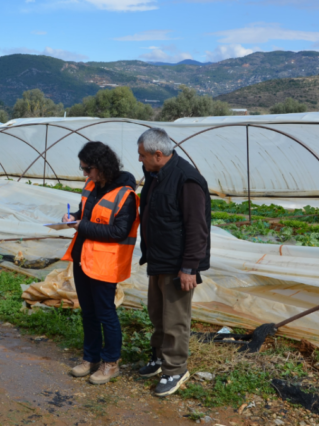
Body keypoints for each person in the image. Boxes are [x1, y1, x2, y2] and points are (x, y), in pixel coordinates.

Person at [136, 128, 211, 397]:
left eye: (142, 155)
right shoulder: (156, 175)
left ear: (158, 154)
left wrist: (190, 267)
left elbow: (196, 227)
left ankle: (175, 369)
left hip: (178, 264)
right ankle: (159, 359)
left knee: (175, 320)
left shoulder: (186, 179)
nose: (140, 160)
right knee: (158, 314)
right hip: (159, 258)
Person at [61, 141, 139, 385]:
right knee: (88, 313)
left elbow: (118, 231)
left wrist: (80, 225)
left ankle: (110, 363)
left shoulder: (125, 195)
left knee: (106, 313)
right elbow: (86, 212)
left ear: (101, 166)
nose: (85, 174)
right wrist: (73, 216)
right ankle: (90, 358)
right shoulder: (92, 186)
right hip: (83, 258)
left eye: (88, 169)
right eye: (83, 168)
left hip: (105, 264)